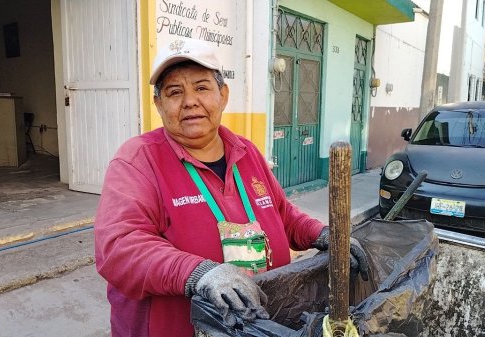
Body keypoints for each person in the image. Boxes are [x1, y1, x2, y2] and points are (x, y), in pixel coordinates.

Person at [94, 38, 369, 337]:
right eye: (175, 92)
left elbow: (281, 213)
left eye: (201, 87)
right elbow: (119, 248)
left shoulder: (246, 151)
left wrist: (323, 234)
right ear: (159, 104)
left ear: (223, 95)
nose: (190, 101)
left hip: (257, 324)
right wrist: (197, 273)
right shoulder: (138, 160)